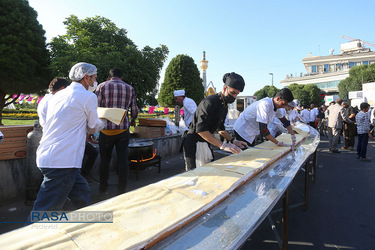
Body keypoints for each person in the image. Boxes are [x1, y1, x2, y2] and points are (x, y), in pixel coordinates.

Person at [31, 62, 105, 215]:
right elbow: (92, 126)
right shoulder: (87, 96)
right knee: (44, 211)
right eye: (94, 78)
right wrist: (103, 122)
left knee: (82, 193)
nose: (95, 82)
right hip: (62, 161)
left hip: (51, 156)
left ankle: (85, 227)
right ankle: (28, 237)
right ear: (86, 78)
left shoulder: (58, 95)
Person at [182, 72, 248, 171]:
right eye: (233, 93)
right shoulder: (209, 102)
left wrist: (233, 141)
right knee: (194, 174)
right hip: (194, 142)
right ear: (225, 88)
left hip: (206, 141)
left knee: (209, 169)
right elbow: (201, 130)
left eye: (237, 94)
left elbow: (220, 128)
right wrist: (223, 145)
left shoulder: (224, 105)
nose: (234, 97)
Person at [96, 68, 139, 194]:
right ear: (121, 77)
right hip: (123, 130)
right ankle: (121, 190)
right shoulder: (129, 88)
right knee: (123, 160)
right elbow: (134, 109)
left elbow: (95, 107)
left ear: (109, 77)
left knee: (104, 161)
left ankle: (102, 189)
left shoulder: (102, 86)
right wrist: (132, 119)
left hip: (105, 130)